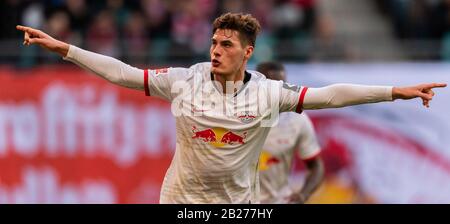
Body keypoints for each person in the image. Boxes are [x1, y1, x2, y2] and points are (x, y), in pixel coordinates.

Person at [16, 12, 445, 204]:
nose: (216, 50)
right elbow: (124, 73)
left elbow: (332, 95)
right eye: (214, 42)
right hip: (181, 200)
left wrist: (394, 91)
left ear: (247, 52)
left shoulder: (268, 93)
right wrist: (66, 48)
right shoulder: (185, 80)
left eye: (227, 45)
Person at [256, 62, 324, 204]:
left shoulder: (297, 120)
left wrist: (303, 195)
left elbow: (316, 166)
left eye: (282, 87)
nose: (278, 93)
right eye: (271, 87)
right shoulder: (235, 115)